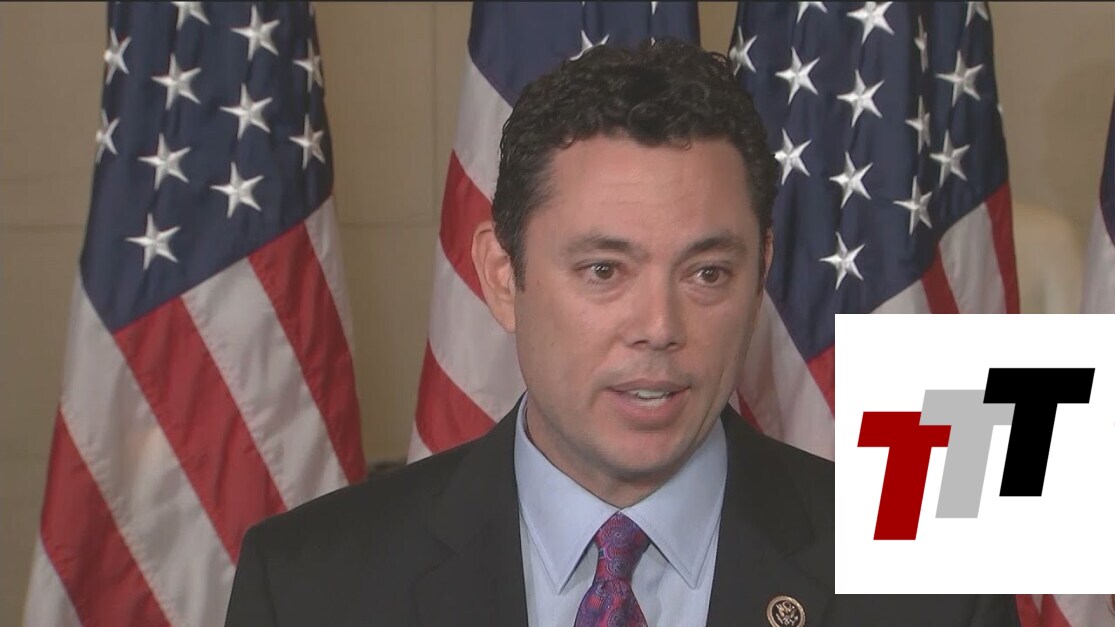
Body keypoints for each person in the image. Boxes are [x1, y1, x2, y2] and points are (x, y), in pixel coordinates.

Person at [224, 39, 1020, 627]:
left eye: (706, 273)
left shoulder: (933, 587)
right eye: (604, 270)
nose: (659, 327)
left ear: (759, 275)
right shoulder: (307, 587)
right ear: (501, 277)